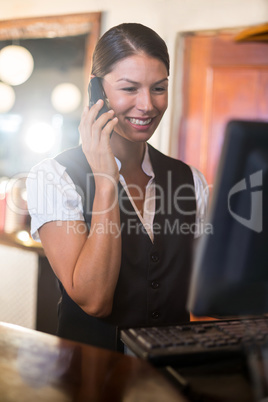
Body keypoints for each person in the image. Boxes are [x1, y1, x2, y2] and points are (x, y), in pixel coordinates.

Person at [26, 23, 209, 351]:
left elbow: (204, 289)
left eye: (158, 88)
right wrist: (106, 180)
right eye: (129, 88)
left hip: (170, 380)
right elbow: (95, 302)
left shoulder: (189, 180)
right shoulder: (53, 177)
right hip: (90, 379)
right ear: (97, 91)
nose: (147, 105)